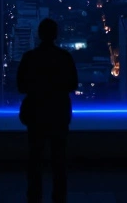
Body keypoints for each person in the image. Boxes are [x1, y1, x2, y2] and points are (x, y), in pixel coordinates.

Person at [17, 17, 79, 203]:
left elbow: (21, 86)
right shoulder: (64, 57)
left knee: (35, 157)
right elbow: (73, 84)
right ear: (56, 34)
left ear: (39, 34)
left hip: (36, 113)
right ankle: (59, 196)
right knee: (59, 159)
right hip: (58, 113)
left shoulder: (29, 57)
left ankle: (34, 195)